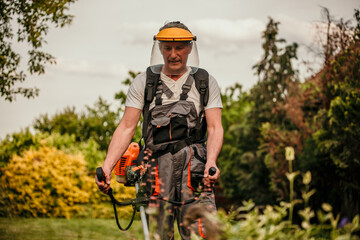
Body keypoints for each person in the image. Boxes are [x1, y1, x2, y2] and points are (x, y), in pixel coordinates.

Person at [95, 21, 223, 239]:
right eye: (167, 47)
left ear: (190, 48)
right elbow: (127, 127)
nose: (173, 54)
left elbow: (214, 127)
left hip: (194, 170)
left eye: (180, 47)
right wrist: (107, 167)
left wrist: (211, 161)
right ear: (160, 48)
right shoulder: (144, 82)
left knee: (202, 235)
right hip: (155, 172)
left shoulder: (204, 82)